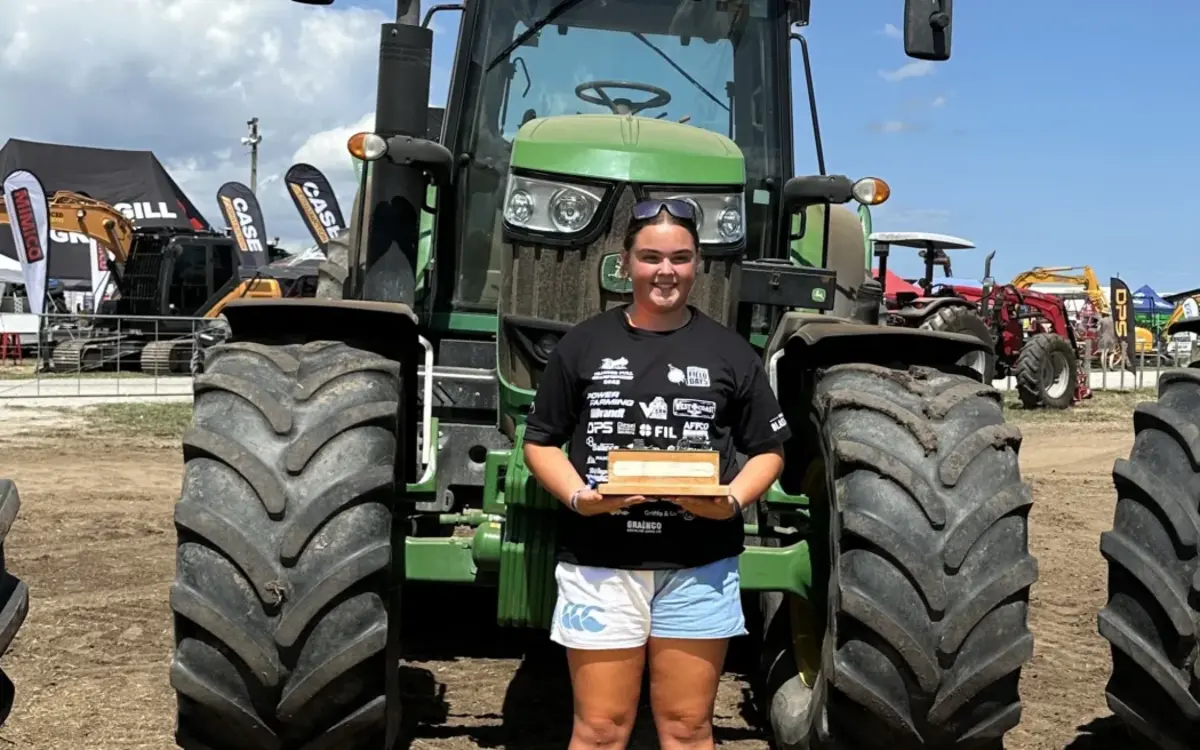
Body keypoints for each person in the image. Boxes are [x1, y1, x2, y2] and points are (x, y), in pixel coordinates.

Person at [522, 199, 791, 750]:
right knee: (599, 730)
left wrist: (732, 501)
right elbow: (541, 442)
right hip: (602, 562)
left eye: (680, 258)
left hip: (698, 566)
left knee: (688, 729)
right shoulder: (584, 344)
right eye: (650, 257)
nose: (665, 270)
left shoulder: (730, 352)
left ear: (697, 265)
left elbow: (768, 451)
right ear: (626, 263)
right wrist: (579, 498)